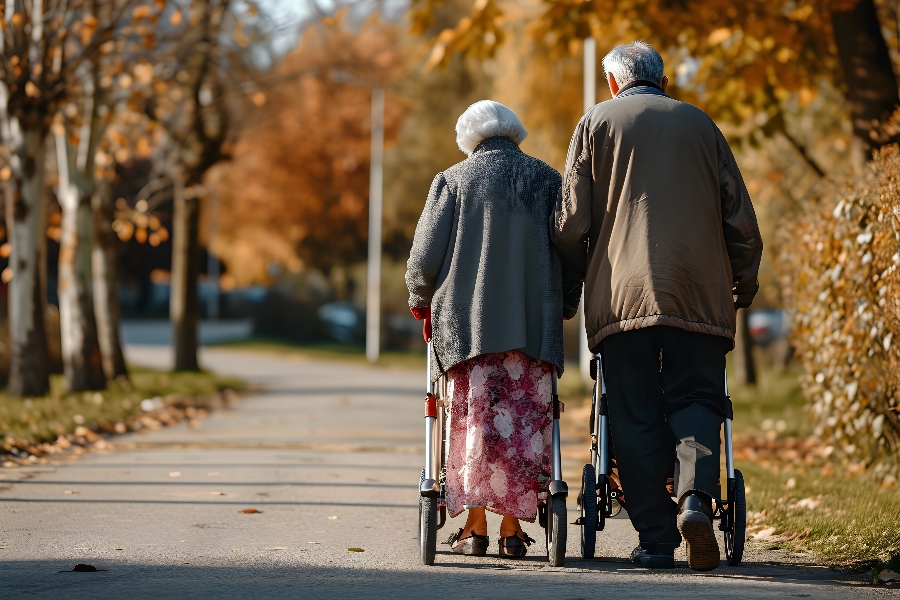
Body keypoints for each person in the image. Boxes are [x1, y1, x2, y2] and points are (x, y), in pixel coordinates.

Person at [551, 41, 763, 571]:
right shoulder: (702, 125)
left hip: (623, 297)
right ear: (662, 80)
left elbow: (570, 223)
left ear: (614, 83)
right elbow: (740, 221)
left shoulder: (596, 124)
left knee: (633, 412)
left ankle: (656, 538)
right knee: (697, 399)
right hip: (698, 291)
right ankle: (695, 498)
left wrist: (572, 288)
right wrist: (742, 284)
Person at [406, 100, 576, 558]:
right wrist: (568, 300)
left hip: (468, 331)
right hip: (532, 327)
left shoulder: (452, 181)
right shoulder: (547, 181)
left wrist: (420, 300)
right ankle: (510, 529)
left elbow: (423, 260)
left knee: (475, 422)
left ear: (469, 139)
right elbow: (569, 249)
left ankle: (474, 528)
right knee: (524, 424)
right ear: (514, 132)